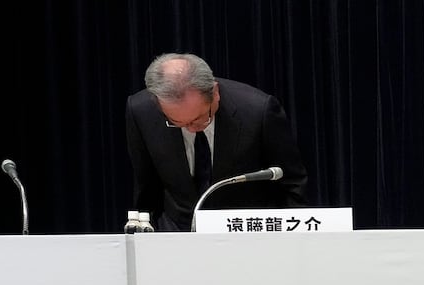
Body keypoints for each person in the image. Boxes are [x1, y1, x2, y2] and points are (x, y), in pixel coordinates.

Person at [125, 53, 308, 232]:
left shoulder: (258, 111)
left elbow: (292, 184)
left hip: (245, 232)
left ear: (215, 93)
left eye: (199, 119)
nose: (191, 129)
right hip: (177, 232)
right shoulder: (141, 112)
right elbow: (146, 187)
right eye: (177, 122)